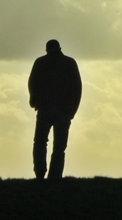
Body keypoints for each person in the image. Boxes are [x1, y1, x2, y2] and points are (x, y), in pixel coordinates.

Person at [28, 39, 82, 179]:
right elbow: (77, 88)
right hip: (64, 111)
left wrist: (34, 101)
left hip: (44, 109)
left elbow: (32, 83)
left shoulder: (40, 62)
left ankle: (40, 170)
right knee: (59, 146)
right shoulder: (70, 63)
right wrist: (72, 110)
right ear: (60, 48)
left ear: (47, 49)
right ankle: (55, 175)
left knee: (40, 141)